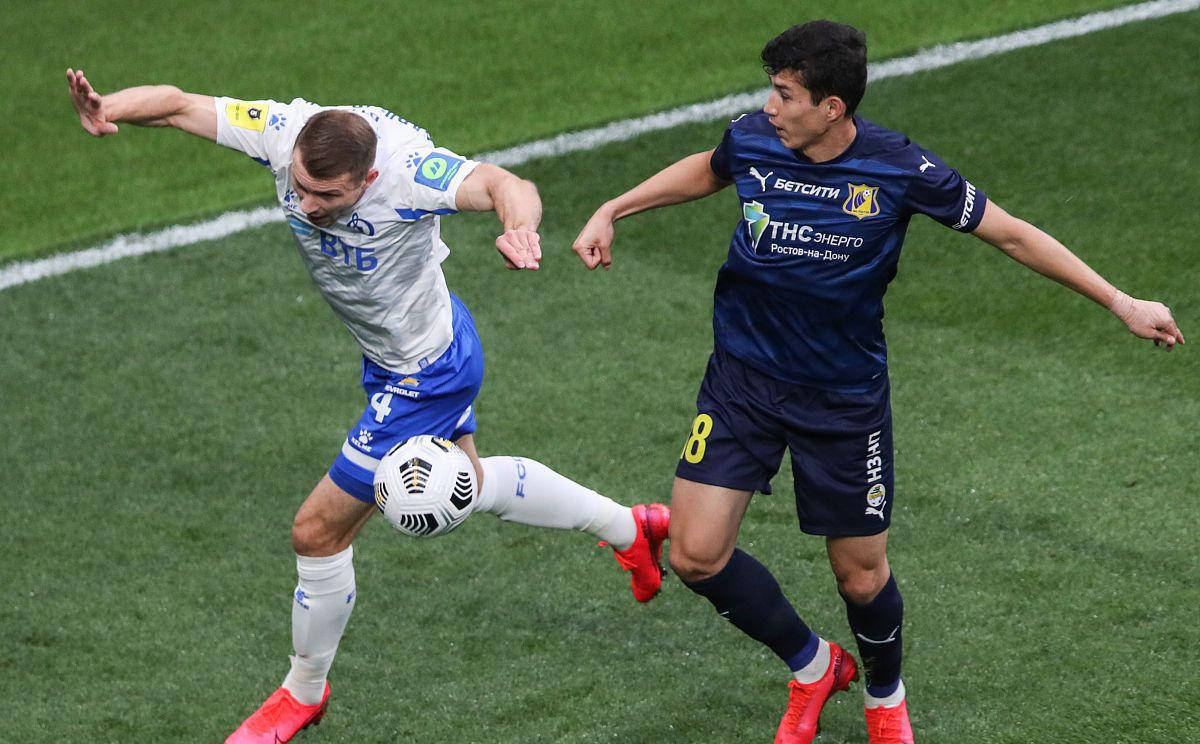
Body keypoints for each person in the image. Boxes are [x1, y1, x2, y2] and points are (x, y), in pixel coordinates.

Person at [572, 20, 1183, 744]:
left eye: (785, 94)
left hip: (842, 401)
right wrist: (613, 209)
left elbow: (1013, 233)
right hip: (741, 383)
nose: (769, 106)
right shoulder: (755, 138)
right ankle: (813, 666)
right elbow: (710, 167)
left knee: (860, 577)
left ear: (831, 107)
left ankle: (885, 695)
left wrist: (1121, 302)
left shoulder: (902, 170)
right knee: (695, 557)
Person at [66, 69, 671, 744]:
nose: (305, 204)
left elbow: (508, 185)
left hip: (427, 372)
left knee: (316, 533)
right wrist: (108, 106)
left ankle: (302, 693)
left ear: (369, 179)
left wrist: (519, 228)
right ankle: (631, 528)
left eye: (326, 195)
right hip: (398, 349)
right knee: (466, 487)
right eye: (299, 187)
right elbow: (180, 106)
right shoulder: (286, 132)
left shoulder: (410, 174)